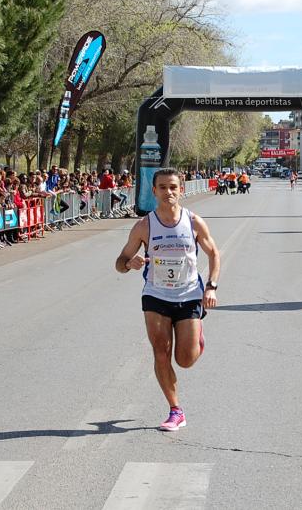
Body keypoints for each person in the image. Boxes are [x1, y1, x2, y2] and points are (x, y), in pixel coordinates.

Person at [115, 168, 220, 431]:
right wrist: (131, 263)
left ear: (180, 189)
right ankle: (175, 410)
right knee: (160, 352)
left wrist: (211, 287)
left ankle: (196, 337)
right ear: (154, 191)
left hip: (188, 295)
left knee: (185, 359)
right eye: (162, 187)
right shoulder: (144, 226)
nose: (168, 192)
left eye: (173, 187)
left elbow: (214, 254)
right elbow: (119, 263)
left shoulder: (194, 222)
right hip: (156, 294)